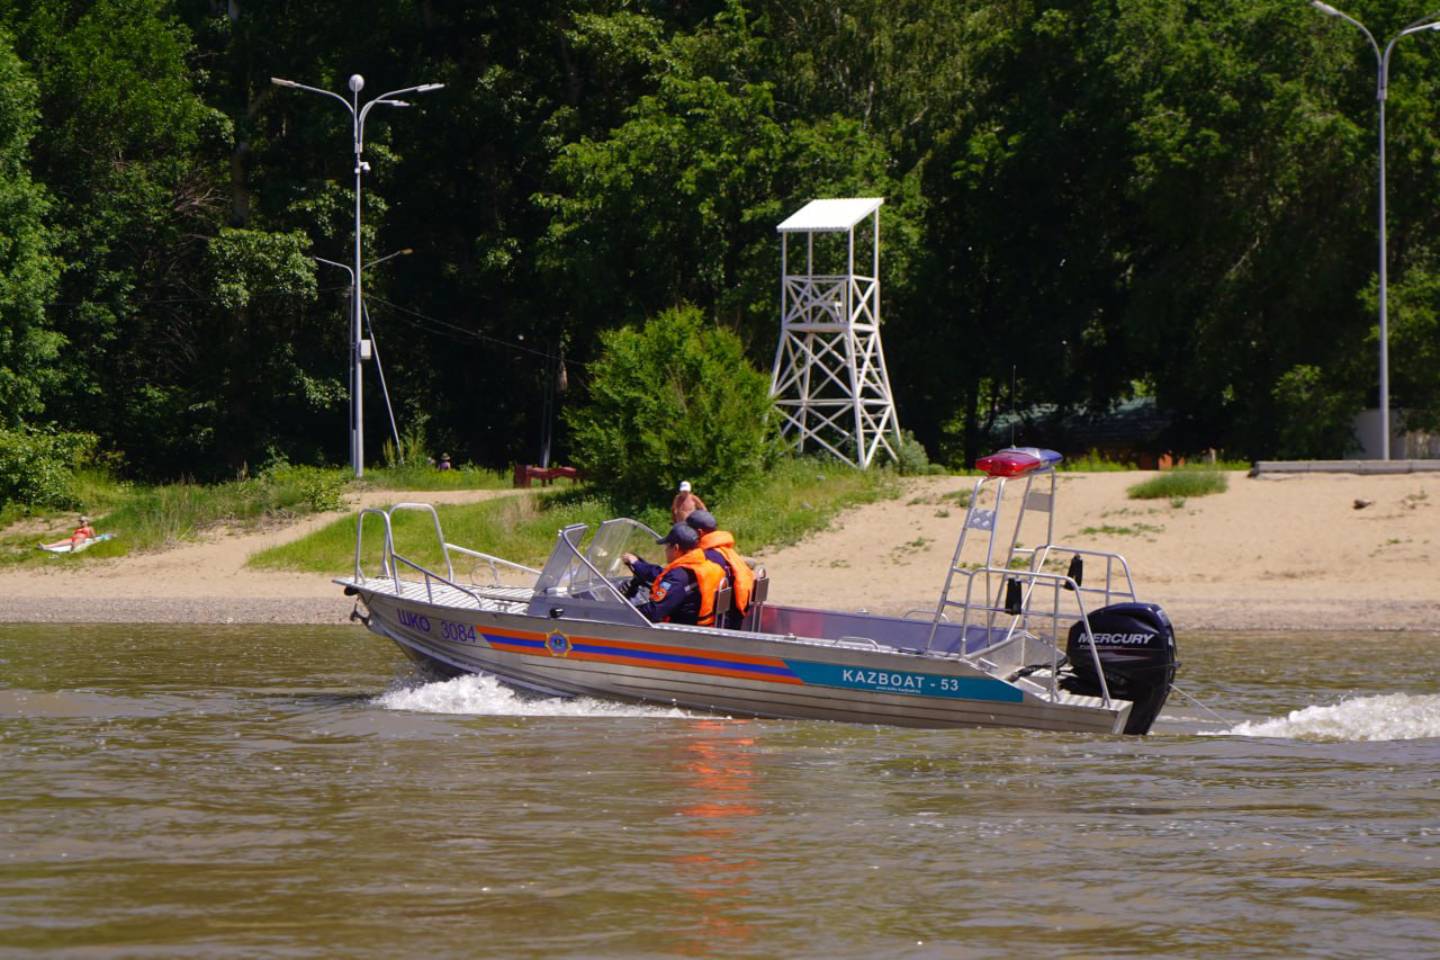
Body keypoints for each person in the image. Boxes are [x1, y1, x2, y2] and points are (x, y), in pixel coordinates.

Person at [620, 522, 725, 627]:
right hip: (697, 625)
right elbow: (662, 574)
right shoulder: (698, 565)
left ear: (676, 548)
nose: (665, 550)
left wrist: (629, 612)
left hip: (678, 631)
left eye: (667, 546)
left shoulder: (678, 577)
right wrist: (638, 565)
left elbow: (654, 611)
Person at [685, 509, 755, 629]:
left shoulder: (707, 557)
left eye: (687, 531)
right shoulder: (727, 552)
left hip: (718, 624)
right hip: (734, 618)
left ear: (699, 533)